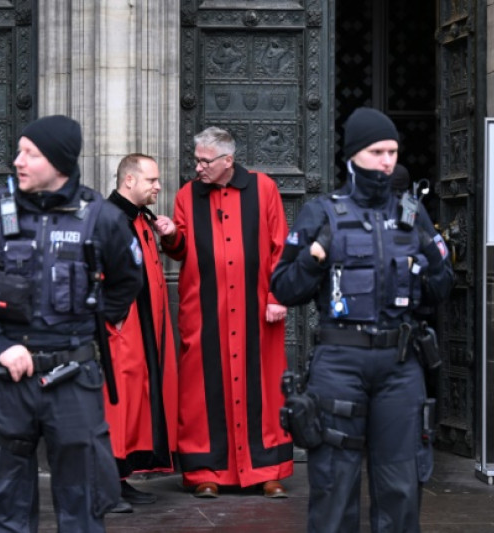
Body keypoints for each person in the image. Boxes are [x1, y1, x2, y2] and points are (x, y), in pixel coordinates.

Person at [0, 115, 143, 532]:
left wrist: (85, 324)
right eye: (19, 151)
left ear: (59, 162)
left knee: (84, 502)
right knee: (3, 503)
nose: (18, 161)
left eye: (30, 153)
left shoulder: (101, 217)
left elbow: (127, 281)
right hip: (7, 377)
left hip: (74, 378)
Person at [271, 107, 453, 532]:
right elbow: (284, 288)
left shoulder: (413, 215)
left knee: (402, 487)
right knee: (334, 486)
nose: (387, 161)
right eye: (377, 151)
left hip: (399, 364)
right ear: (354, 155)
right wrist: (315, 258)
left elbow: (443, 288)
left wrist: (430, 266)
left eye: (392, 151)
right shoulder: (322, 213)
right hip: (339, 363)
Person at [155, 126, 293, 498]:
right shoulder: (187, 195)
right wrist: (170, 235)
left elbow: (282, 245)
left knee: (262, 387)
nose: (197, 167)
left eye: (204, 161)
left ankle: (268, 470)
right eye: (196, 159)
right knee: (204, 391)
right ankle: (205, 473)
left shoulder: (264, 189)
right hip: (205, 311)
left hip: (257, 310)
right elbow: (182, 249)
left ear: (227, 161)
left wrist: (277, 295)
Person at [104, 154, 178, 513]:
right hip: (121, 331)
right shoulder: (108, 219)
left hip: (142, 330)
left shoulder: (139, 219)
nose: (158, 186)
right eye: (151, 180)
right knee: (115, 407)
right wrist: (112, 319)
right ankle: (106, 487)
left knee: (132, 406)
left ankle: (120, 480)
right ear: (129, 181)